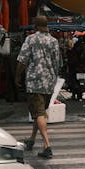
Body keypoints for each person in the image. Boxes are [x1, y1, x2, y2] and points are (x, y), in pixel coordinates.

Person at [15, 15, 61, 159]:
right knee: (39, 112)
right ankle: (32, 140)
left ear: (35, 26)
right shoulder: (53, 41)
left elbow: (22, 60)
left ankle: (47, 146)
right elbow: (58, 63)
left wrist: (17, 76)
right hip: (49, 82)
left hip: (35, 82)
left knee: (39, 113)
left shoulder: (31, 39)